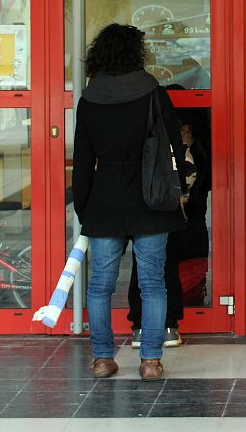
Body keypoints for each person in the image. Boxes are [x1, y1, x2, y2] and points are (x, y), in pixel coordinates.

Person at [73, 23, 186, 381]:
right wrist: (181, 184)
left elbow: (81, 161)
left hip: (104, 199)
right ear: (135, 53)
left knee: (101, 285)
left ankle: (103, 358)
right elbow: (174, 146)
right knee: (153, 283)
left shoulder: (90, 99)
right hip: (150, 198)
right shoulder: (152, 91)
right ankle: (151, 360)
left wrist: (83, 208)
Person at [126, 109, 207, 348]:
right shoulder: (186, 158)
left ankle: (143, 327)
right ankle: (165, 326)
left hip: (149, 217)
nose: (186, 134)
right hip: (170, 219)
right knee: (161, 274)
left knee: (145, 271)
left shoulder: (152, 150)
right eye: (183, 130)